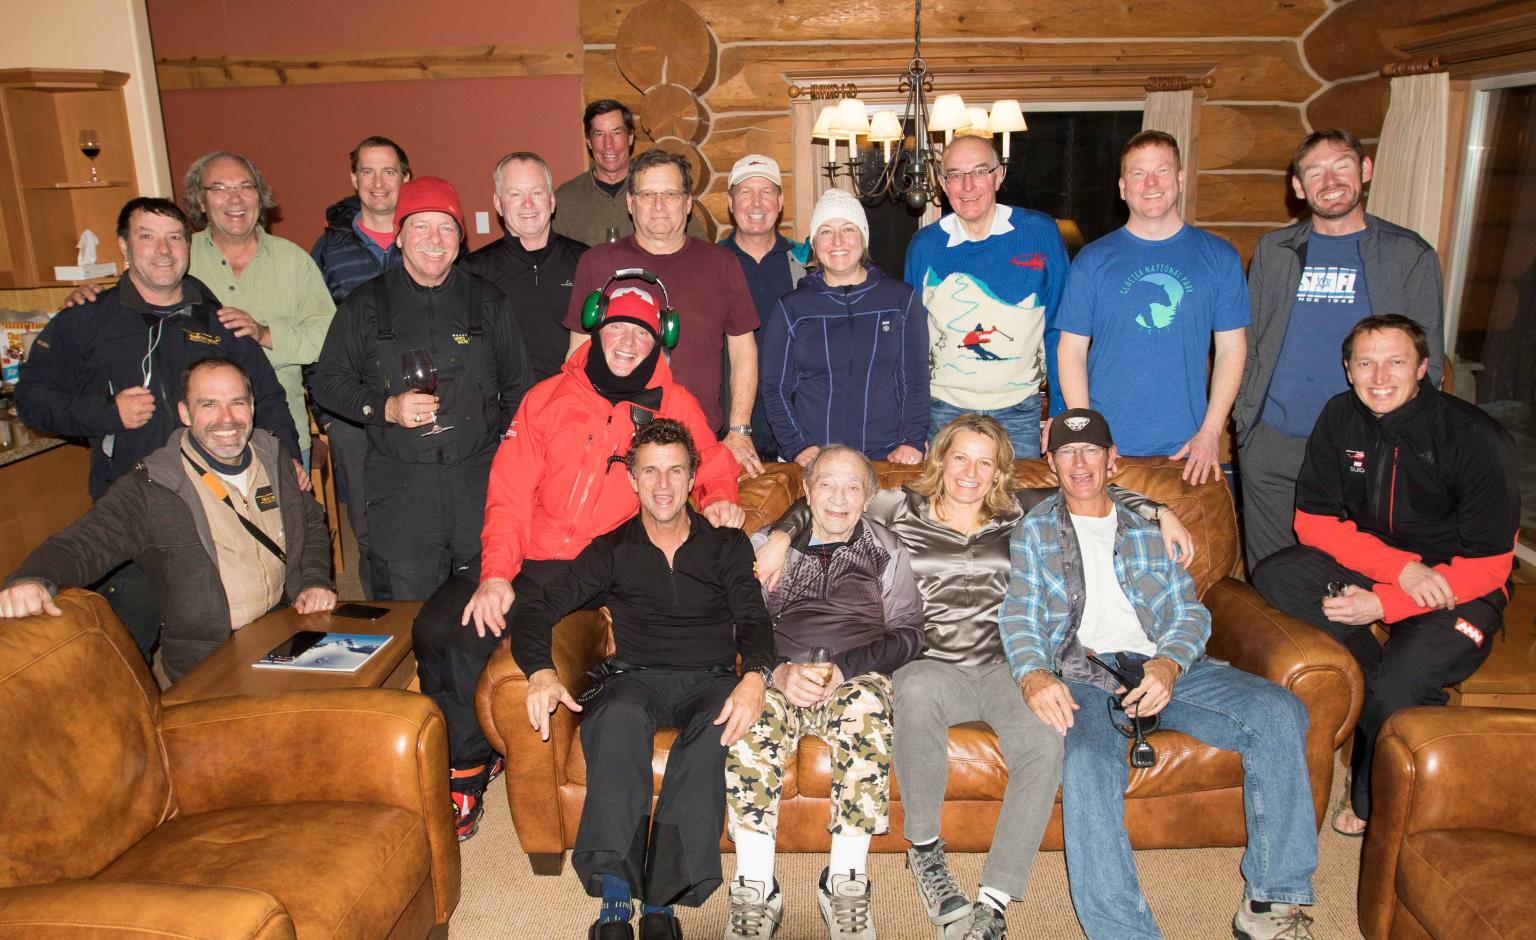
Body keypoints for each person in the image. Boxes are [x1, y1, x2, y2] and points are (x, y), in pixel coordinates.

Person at [757, 414, 1192, 940]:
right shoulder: (898, 506)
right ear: (940, 461)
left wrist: (1161, 511)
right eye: (960, 458)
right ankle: (926, 853)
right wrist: (781, 534)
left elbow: (1090, 489)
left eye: (985, 463)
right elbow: (830, 496)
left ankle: (994, 899)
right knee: (915, 693)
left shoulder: (1019, 510)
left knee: (1047, 740)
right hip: (929, 663)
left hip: (1005, 665)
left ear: (999, 471)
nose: (970, 472)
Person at [412, 278, 744, 840]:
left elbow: (712, 464)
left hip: (593, 567)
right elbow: (509, 492)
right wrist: (497, 572)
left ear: (660, 339)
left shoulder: (674, 404)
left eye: (641, 333)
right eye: (617, 327)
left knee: (472, 639)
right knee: (433, 627)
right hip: (527, 550)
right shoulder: (546, 397)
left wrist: (721, 500)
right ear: (595, 327)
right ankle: (467, 749)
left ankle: (465, 770)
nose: (627, 342)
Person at [1003, 407, 1318, 940]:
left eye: (1090, 451)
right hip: (1082, 671)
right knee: (1086, 761)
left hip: (1159, 663)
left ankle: (1271, 901)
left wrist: (1170, 663)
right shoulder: (1032, 530)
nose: (1079, 463)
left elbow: (1187, 611)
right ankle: (1123, 932)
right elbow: (1020, 613)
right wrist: (1033, 672)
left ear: (1112, 460)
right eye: (1066, 452)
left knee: (1278, 711)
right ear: (1051, 464)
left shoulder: (1147, 527)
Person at [1251, 314, 1518, 836]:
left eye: (1396, 362)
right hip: (1381, 566)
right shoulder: (1339, 415)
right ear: (1348, 368)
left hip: (1457, 585)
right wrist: (1398, 571)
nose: (1379, 377)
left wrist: (1386, 604)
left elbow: (1492, 565)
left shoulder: (1475, 437)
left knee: (1396, 690)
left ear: (1423, 368)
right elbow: (1313, 521)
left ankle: (1372, 795)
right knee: (1278, 575)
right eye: (1365, 363)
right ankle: (1368, 664)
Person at [511, 419, 774, 940]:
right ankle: (615, 896)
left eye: (675, 470)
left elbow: (754, 620)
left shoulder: (726, 546)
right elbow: (536, 608)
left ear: (693, 478)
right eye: (650, 471)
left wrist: (756, 677)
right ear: (632, 479)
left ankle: (661, 903)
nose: (663, 484)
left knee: (715, 734)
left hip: (711, 679)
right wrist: (540, 671)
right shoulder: (610, 550)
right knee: (617, 719)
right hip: (636, 678)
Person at [15, 197, 302, 656]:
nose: (163, 250)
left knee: (235, 623)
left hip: (223, 504)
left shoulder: (222, 322)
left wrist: (285, 457)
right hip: (136, 501)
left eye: (174, 238)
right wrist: (106, 413)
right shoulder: (84, 321)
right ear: (124, 246)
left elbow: (267, 399)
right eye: (147, 237)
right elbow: (32, 400)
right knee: (128, 640)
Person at [1, 358, 334, 682]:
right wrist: (32, 578)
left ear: (252, 406)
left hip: (284, 623)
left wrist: (314, 581)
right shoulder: (152, 485)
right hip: (212, 656)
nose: (227, 418)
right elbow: (86, 542)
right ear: (184, 413)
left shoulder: (273, 456)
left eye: (237, 403)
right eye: (208, 405)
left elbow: (310, 522)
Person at [723, 446, 925, 939]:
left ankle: (845, 882)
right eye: (827, 485)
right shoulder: (765, 547)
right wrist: (775, 673)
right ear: (807, 492)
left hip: (855, 679)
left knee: (866, 708)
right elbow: (734, 627)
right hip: (780, 675)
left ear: (869, 497)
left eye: (853, 487)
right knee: (750, 715)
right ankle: (755, 886)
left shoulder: (888, 548)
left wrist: (845, 671)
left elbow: (910, 634)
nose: (838, 498)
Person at [1234, 130, 1445, 570]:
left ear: (1365, 170)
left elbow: (1428, 363)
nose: (1330, 181)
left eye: (1342, 166)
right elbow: (1250, 344)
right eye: (1315, 172)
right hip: (1273, 441)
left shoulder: (1408, 255)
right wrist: (1246, 423)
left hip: (1365, 444)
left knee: (1352, 572)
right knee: (1272, 570)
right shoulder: (1275, 251)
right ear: (1299, 186)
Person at [313, 176, 531, 601]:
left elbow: (519, 388)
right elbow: (328, 383)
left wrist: (506, 456)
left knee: (487, 602)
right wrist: (385, 408)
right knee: (410, 608)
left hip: (478, 481)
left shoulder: (489, 301)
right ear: (398, 236)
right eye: (420, 226)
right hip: (402, 487)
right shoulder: (365, 304)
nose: (435, 239)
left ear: (460, 240)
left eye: (447, 227)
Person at [1055, 130, 1248, 485]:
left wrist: (1210, 431)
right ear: (1122, 187)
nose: (1151, 183)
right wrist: (1088, 435)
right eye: (1138, 173)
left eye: (1161, 170)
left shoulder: (1220, 258)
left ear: (1180, 179)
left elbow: (1231, 350)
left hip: (1188, 449)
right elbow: (1071, 350)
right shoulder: (1092, 260)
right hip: (1109, 447)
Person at [564, 149, 760, 471]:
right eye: (647, 195)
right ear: (630, 203)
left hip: (699, 441)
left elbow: (743, 351)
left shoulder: (722, 263)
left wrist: (739, 431)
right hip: (615, 444)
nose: (658, 205)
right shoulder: (597, 263)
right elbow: (577, 354)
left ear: (688, 203)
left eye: (670, 194)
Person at [904, 134, 1069, 458]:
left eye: (979, 171)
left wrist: (1060, 409)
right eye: (955, 175)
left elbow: (1060, 329)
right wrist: (912, 425)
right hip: (943, 412)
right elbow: (911, 342)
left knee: (1019, 494)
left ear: (999, 175)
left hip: (1019, 412)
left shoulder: (1040, 232)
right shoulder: (925, 245)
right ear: (943, 183)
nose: (967, 186)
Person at [181, 150, 336, 466]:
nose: (235, 199)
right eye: (220, 188)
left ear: (259, 196)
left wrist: (265, 334)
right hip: (197, 441)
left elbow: (329, 334)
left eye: (245, 187)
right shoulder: (179, 259)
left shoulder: (292, 260)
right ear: (200, 201)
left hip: (281, 435)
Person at [310, 134, 413, 597]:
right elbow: (315, 331)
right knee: (369, 528)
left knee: (424, 518)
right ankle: (384, 616)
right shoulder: (328, 250)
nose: (378, 182)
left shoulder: (428, 237)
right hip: (353, 411)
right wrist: (329, 414)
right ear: (353, 179)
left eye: (388, 171)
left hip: (419, 401)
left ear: (405, 177)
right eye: (367, 171)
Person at [760, 189, 929, 468]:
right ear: (814, 242)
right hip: (815, 460)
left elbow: (916, 381)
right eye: (826, 231)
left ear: (863, 237)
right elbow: (774, 389)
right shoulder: (791, 308)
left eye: (848, 229)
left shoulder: (900, 300)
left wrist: (912, 440)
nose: (837, 241)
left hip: (885, 458)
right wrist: (795, 446)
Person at [464, 150, 588, 383]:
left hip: (572, 396)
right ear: (498, 203)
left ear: (552, 200)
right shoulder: (473, 271)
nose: (528, 203)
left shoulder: (585, 261)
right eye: (515, 194)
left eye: (537, 192)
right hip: (504, 401)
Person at [721, 154, 806, 465]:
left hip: (795, 434)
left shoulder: (805, 265)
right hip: (728, 434)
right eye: (745, 192)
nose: (756, 203)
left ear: (780, 202)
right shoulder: (711, 264)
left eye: (766, 192)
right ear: (730, 203)